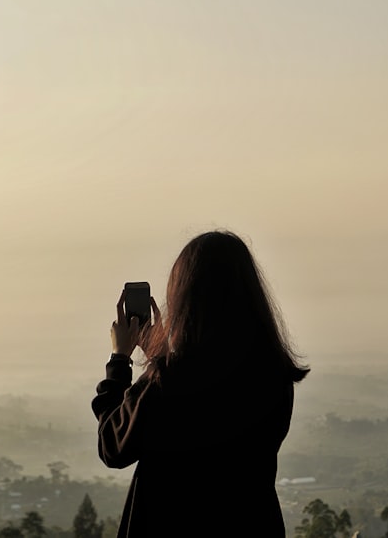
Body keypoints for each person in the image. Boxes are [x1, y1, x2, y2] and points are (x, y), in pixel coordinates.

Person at [91, 230, 309, 537]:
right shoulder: (274, 376)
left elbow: (113, 446)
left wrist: (119, 361)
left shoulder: (171, 381)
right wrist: (160, 358)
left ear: (184, 297)